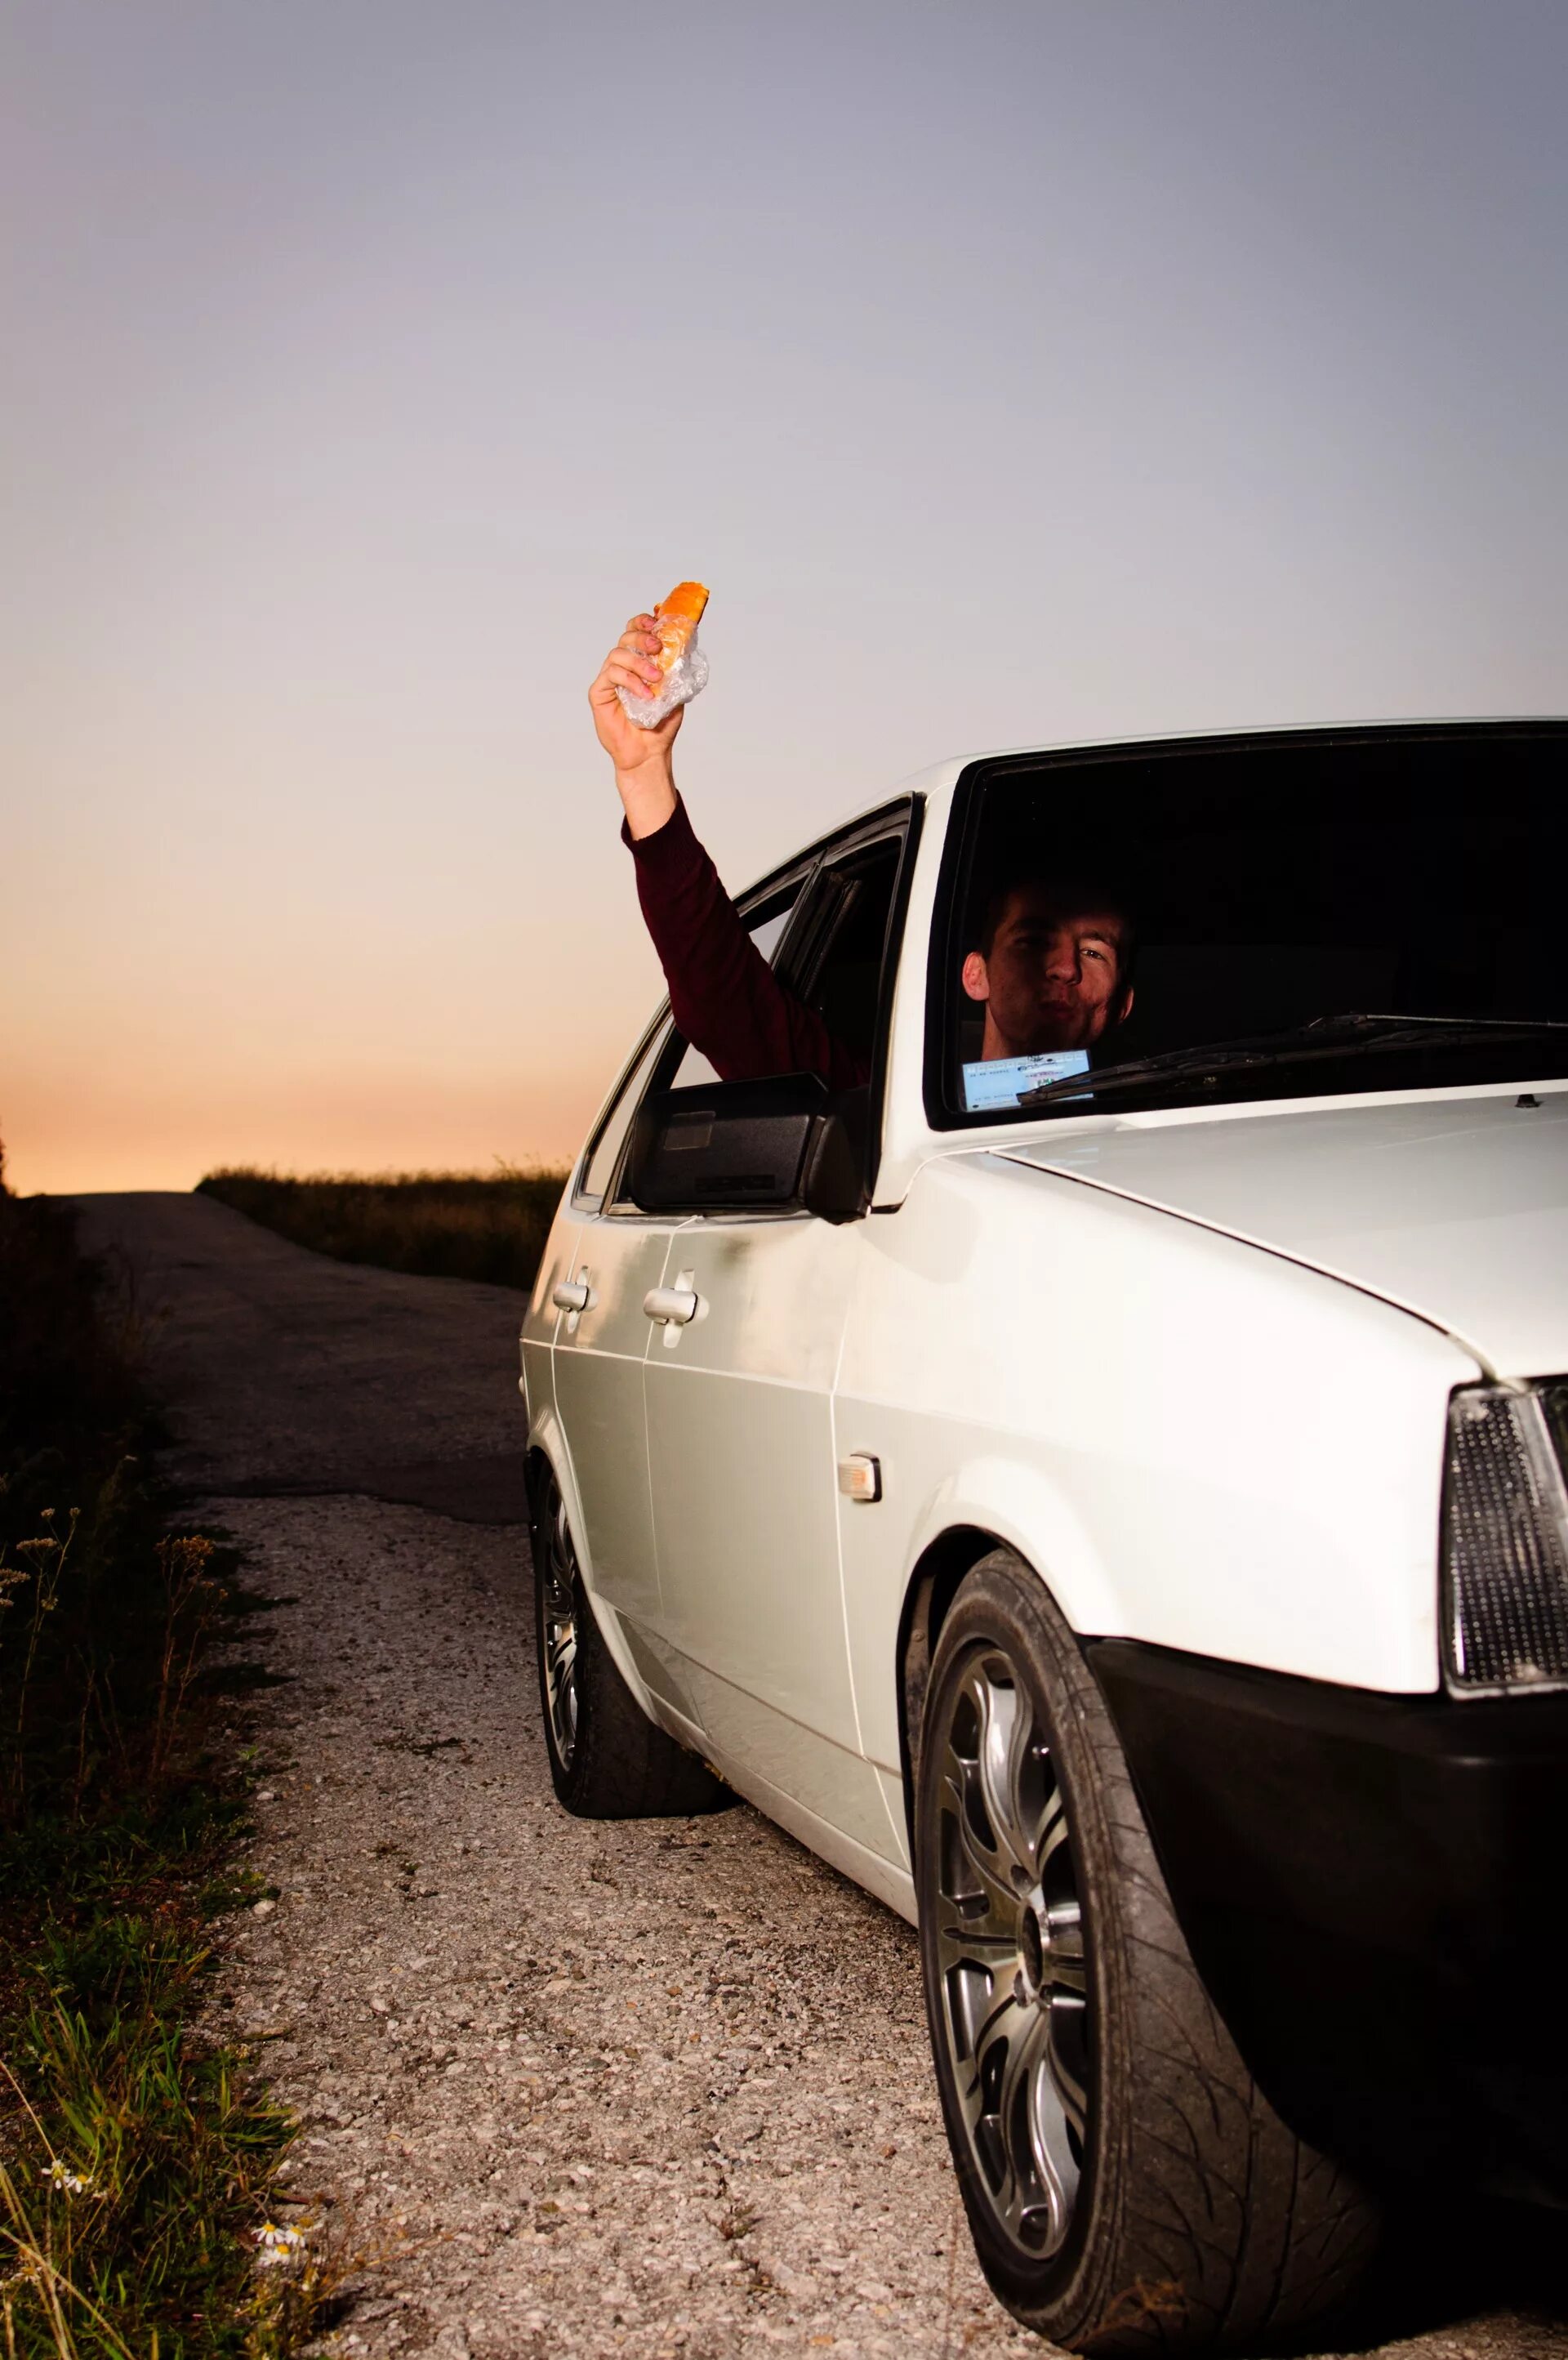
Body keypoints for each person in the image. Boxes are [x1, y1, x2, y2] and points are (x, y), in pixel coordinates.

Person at [589, 612, 1134, 1098]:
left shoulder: (1181, 1125)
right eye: (1034, 941)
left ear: (1124, 1003)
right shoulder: (888, 1121)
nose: (1062, 968)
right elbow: (728, 1009)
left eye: (1093, 953)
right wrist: (643, 776)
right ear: (976, 975)